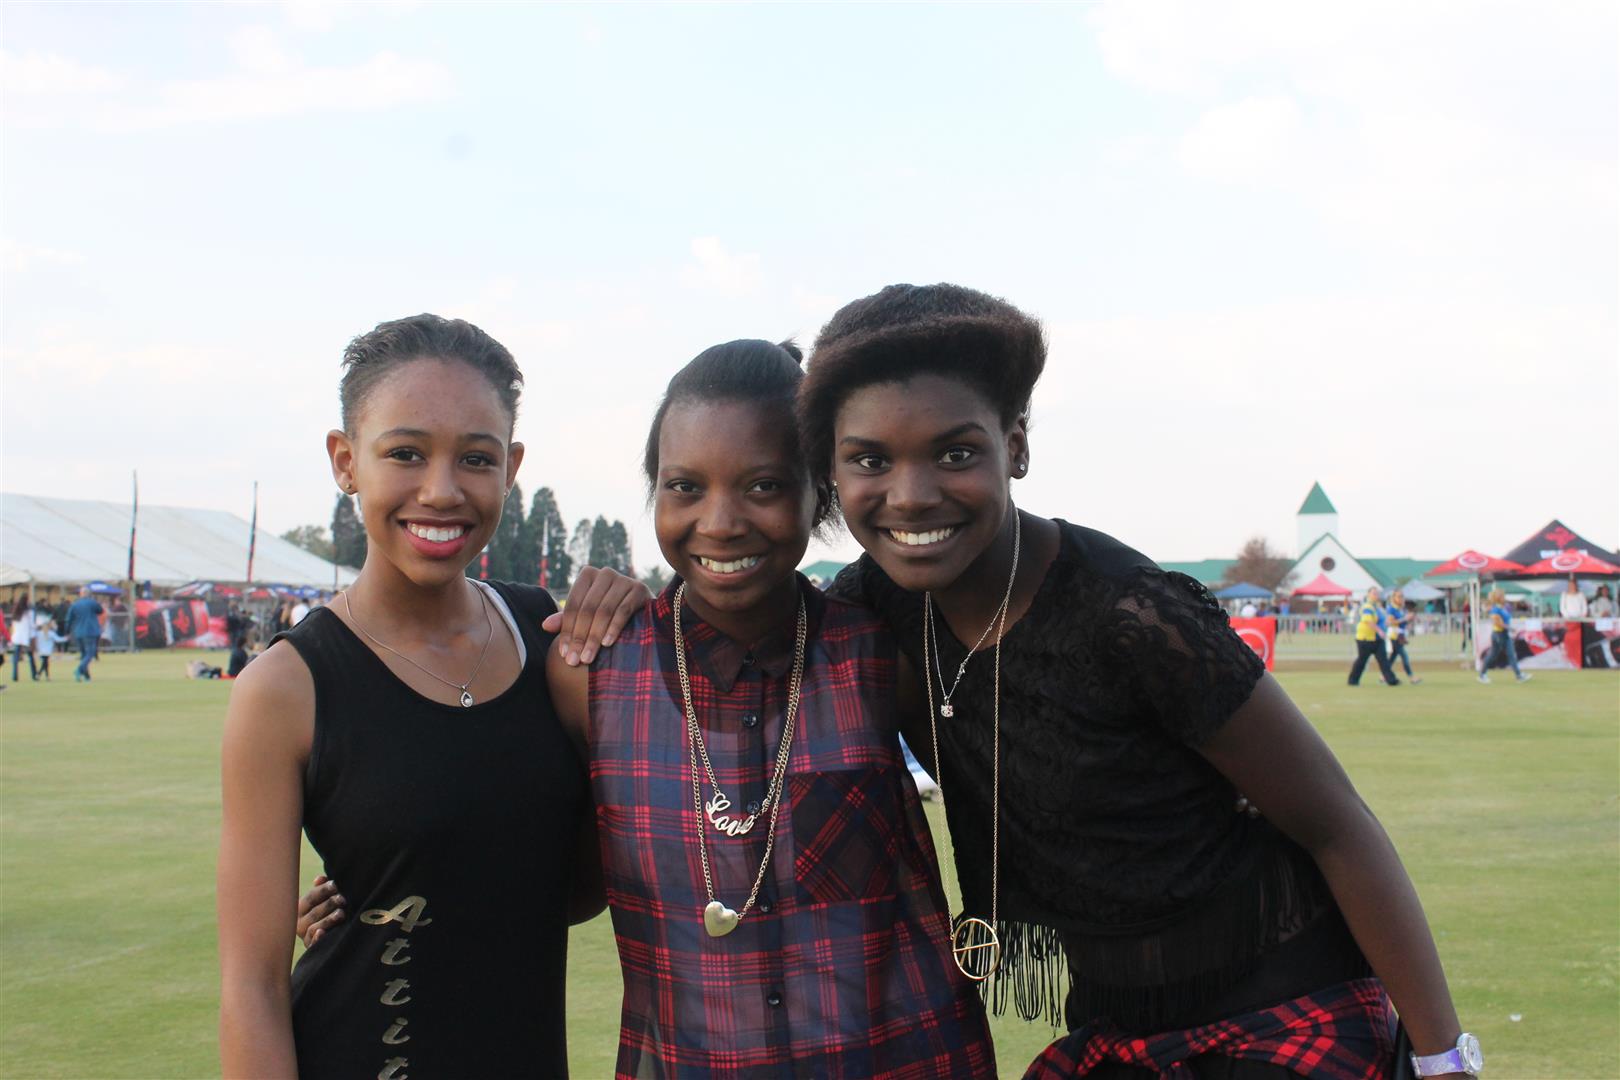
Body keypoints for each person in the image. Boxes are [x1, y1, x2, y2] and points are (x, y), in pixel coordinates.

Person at [792, 284, 1474, 1079]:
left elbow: (1335, 823)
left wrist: (1443, 1060)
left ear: (1015, 447)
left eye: (955, 454)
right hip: (1113, 1034)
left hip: (1279, 1010)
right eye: (870, 460)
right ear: (831, 470)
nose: (911, 496)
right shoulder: (869, 607)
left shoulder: (1129, 614)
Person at [547, 339, 994, 1077]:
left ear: (820, 490)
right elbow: (543, 874)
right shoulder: (589, 673)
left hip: (901, 1059)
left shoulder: (883, 653)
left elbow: (1012, 800)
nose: (720, 522)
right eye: (685, 487)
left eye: (763, 486)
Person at [217, 314, 645, 1078]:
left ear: (510, 468)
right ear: (346, 461)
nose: (441, 491)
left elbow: (572, 895)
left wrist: (634, 636)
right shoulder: (286, 688)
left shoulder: (554, 640)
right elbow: (251, 988)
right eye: (406, 453)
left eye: (476, 458)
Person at [1346, 586, 1401, 687]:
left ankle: (1392, 680)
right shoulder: (1367, 607)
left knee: (1383, 660)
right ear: (1368, 595)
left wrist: (1387, 625)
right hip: (1365, 639)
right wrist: (1379, 631)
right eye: (1374, 593)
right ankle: (1353, 680)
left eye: (1377, 593)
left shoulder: (1377, 607)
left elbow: (1382, 620)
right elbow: (1368, 621)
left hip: (1376, 639)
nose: (1376, 595)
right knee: (1362, 660)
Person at [1477, 587, 1530, 684]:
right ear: (1499, 597)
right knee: (1510, 655)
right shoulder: (1495, 609)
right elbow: (1498, 623)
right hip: (1500, 634)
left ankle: (1482, 674)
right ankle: (1519, 675)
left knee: (1493, 655)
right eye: (1502, 596)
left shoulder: (1501, 607)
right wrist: (1510, 628)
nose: (1504, 597)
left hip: (1500, 634)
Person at [65, 587, 105, 682]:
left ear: (80, 594)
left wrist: (67, 632)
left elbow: (69, 619)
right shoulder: (92, 602)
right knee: (90, 653)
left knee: (84, 655)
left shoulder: (75, 604)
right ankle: (79, 670)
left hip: (79, 632)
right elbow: (100, 611)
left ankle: (87, 676)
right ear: (89, 594)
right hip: (90, 631)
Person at [1384, 589, 1421, 685]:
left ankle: (1383, 676)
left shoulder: (1401, 609)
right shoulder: (1391, 608)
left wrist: (1409, 619)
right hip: (1394, 636)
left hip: (1400, 635)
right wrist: (1405, 618)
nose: (1401, 598)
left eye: (1402, 596)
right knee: (1404, 656)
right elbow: (1390, 622)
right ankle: (1411, 677)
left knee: (1392, 658)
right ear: (1394, 598)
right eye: (1399, 596)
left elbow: (1403, 622)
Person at [10, 599, 37, 682]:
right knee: (30, 656)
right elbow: (32, 625)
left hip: (17, 637)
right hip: (26, 637)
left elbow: (13, 625)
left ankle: (15, 675)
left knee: (16, 657)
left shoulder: (15, 612)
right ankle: (34, 674)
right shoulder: (29, 613)